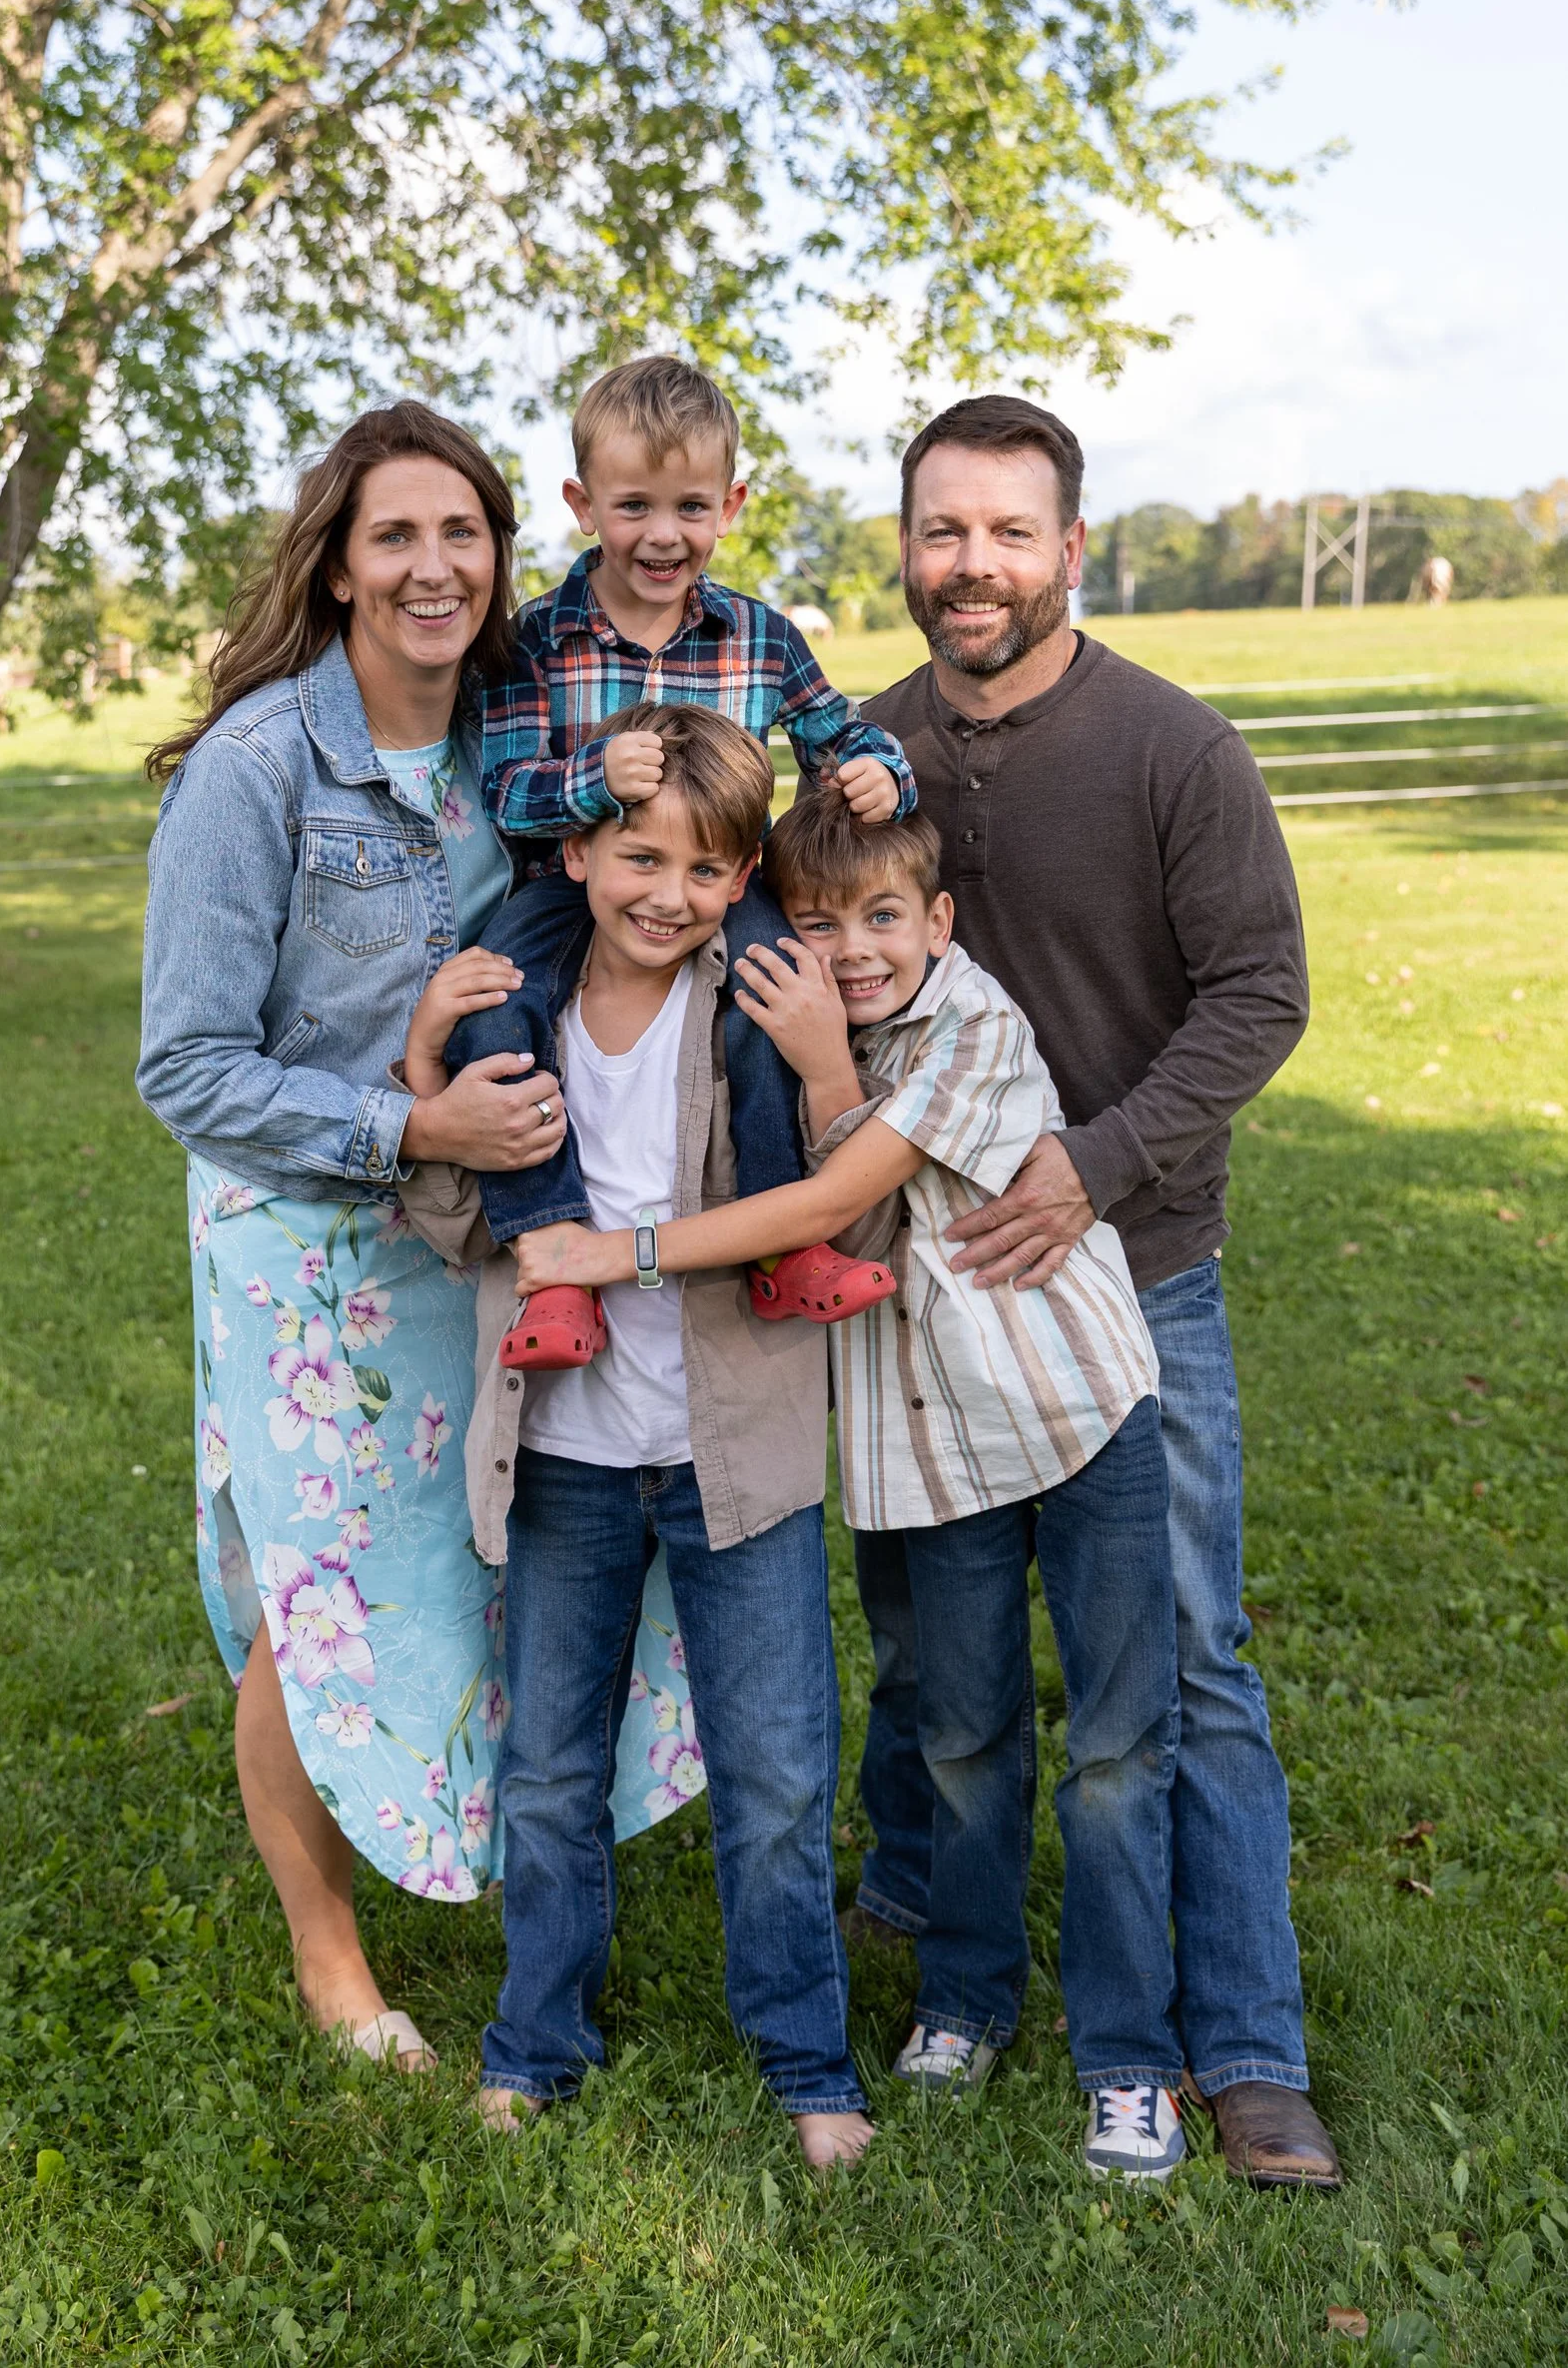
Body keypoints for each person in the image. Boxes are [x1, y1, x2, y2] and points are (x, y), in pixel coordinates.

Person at [137, 404, 710, 2070]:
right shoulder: (259, 771)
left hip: (468, 1239)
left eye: (460, 534)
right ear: (335, 564)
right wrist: (407, 1125)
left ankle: (482, 1839)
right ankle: (332, 1958)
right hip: (306, 1243)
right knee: (317, 1601)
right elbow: (184, 1066)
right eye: (393, 536)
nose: (431, 566)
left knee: (466, 1563)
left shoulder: (513, 746)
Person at [518, 783, 1191, 2179]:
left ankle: (1126, 2060)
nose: (851, 948)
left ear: (937, 920)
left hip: (1073, 1415)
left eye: (884, 917)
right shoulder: (769, 1021)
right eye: (815, 923)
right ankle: (963, 1998)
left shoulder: (965, 1027)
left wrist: (628, 1247)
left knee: (1117, 1751)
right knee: (955, 1739)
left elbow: (836, 1210)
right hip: (922, 1444)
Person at [859, 394, 1340, 2190]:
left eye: (1004, 532)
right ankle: (924, 1915)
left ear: (1071, 550)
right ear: (903, 546)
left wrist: (1096, 1159)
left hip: (1141, 1282)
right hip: (934, 1299)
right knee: (929, 1642)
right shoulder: (873, 753)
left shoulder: (1171, 750)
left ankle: (1244, 2046)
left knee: (1187, 1660)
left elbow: (1258, 994)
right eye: (938, 529)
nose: (967, 564)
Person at [395, 705, 876, 2168]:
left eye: (708, 869)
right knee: (546, 1768)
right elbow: (453, 1224)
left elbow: (842, 1203)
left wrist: (829, 1058)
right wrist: (424, 1066)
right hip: (567, 1455)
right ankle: (536, 2041)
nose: (668, 893)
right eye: (638, 854)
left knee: (778, 1770)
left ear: (743, 881)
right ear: (583, 850)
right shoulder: (515, 1007)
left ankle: (805, 2059)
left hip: (739, 1445)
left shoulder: (757, 1002)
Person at [431, 354, 915, 1369]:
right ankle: (554, 1259)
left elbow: (839, 731)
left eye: (690, 506)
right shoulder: (536, 643)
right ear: (580, 502)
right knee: (495, 1009)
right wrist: (592, 780)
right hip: (571, 888)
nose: (663, 534)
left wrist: (876, 775)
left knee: (774, 994)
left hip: (719, 886)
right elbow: (509, 795)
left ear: (730, 504)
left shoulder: (759, 636)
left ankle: (787, 1240)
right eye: (633, 505)